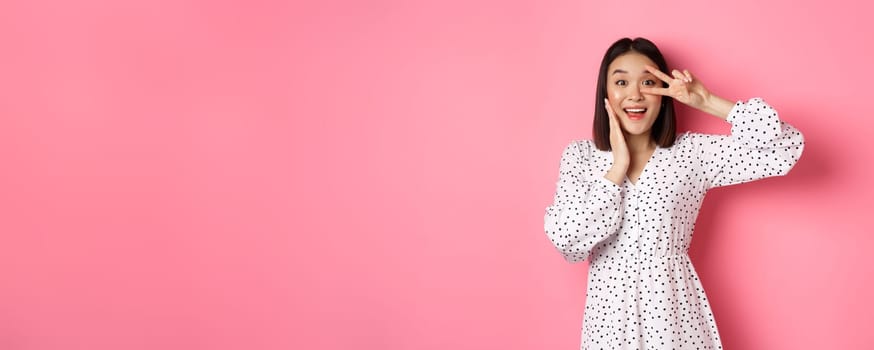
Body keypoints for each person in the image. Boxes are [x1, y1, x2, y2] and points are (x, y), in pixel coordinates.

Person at [543, 37, 804, 349]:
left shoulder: (690, 153)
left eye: (648, 82)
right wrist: (617, 168)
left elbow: (786, 148)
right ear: (605, 93)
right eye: (621, 82)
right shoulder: (581, 157)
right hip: (608, 323)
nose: (635, 94)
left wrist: (706, 101)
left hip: (674, 318)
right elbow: (568, 241)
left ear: (663, 94)